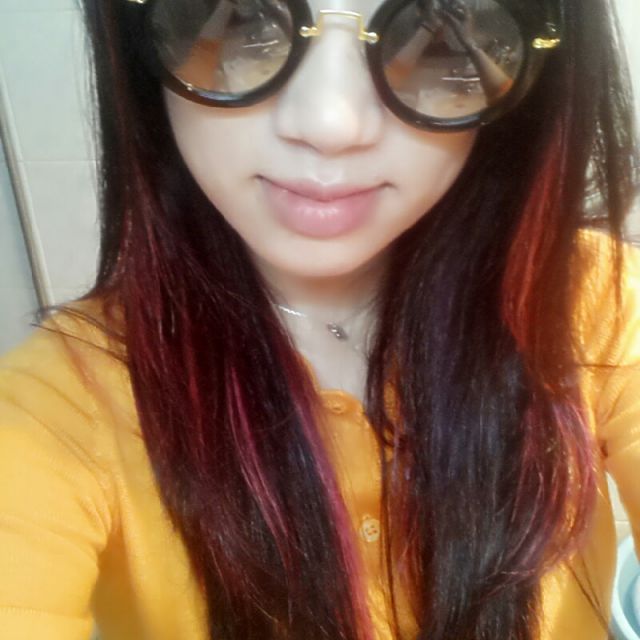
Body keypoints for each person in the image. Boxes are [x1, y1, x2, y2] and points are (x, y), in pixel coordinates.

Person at [0, 0, 638, 638]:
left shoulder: (591, 299)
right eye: (244, 16)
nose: (331, 124)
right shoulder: (60, 409)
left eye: (434, 28)